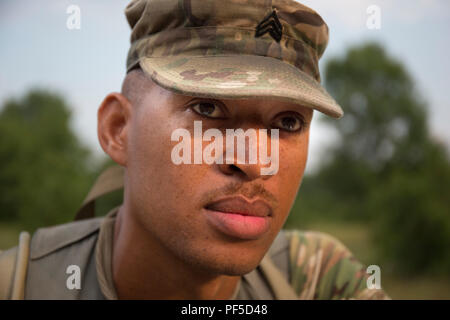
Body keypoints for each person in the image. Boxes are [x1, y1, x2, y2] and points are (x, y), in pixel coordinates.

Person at [0, 0, 389, 300]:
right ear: (119, 129)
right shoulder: (17, 285)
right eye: (207, 108)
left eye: (287, 122)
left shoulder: (316, 278)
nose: (254, 162)